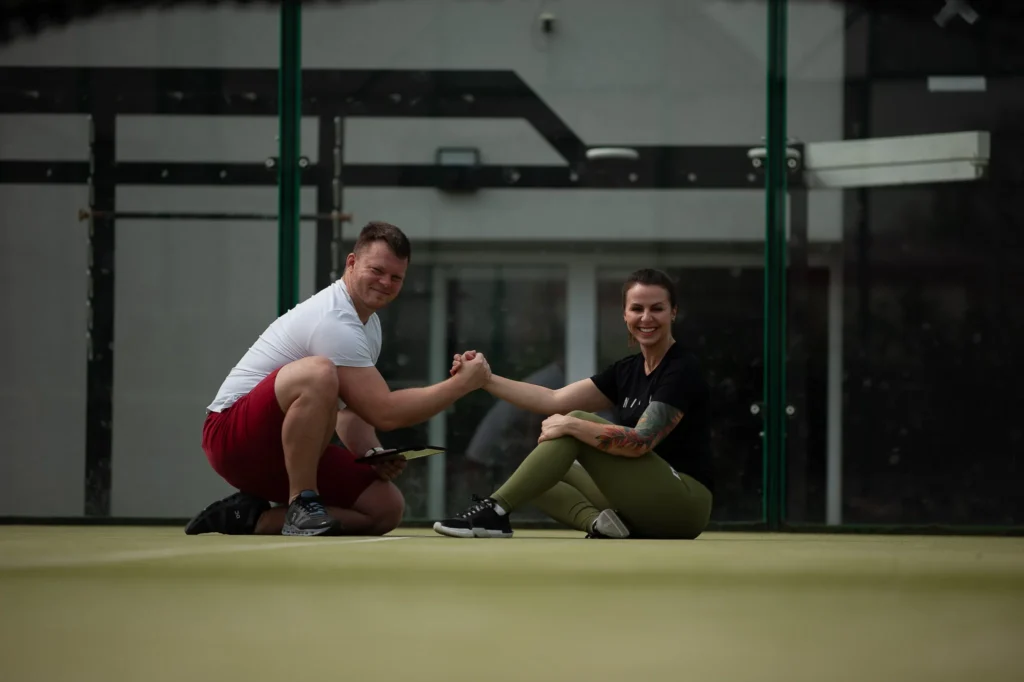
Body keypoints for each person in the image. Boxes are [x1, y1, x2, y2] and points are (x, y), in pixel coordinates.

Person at [185, 221, 491, 537]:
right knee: (317, 373)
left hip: (288, 452)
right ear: (351, 262)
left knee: (385, 508)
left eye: (396, 277)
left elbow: (350, 412)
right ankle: (302, 502)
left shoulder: (368, 325)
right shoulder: (334, 320)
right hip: (230, 439)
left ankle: (247, 517)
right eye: (377, 271)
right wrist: (461, 384)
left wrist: (372, 454)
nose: (385, 282)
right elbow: (385, 412)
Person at [433, 268, 714, 540]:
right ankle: (599, 524)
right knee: (538, 473)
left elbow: (641, 441)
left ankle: (494, 511)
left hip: (684, 506)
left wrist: (572, 424)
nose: (646, 317)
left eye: (657, 308)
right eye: (637, 308)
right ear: (625, 314)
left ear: (673, 312)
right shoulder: (627, 370)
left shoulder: (681, 369)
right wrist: (484, 379)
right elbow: (553, 399)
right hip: (643, 502)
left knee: (577, 422)